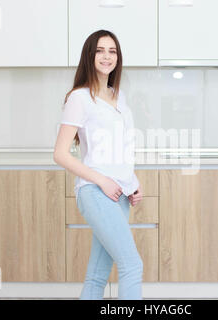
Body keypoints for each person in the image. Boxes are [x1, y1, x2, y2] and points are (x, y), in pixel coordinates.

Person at [53, 30, 143, 300]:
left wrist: (133, 182)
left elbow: (119, 149)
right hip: (96, 192)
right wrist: (103, 181)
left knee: (97, 275)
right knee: (132, 265)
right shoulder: (79, 98)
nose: (107, 56)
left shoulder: (119, 96)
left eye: (112, 51)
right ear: (89, 56)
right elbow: (60, 153)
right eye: (100, 50)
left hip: (120, 193)